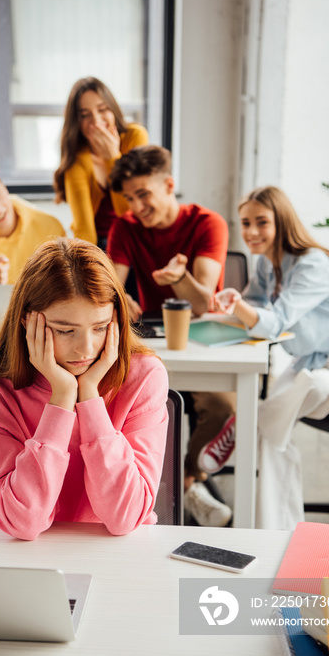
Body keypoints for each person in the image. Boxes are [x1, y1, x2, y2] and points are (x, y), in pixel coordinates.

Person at [0, 237, 169, 541]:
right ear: (25, 320)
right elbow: (22, 522)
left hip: (118, 556)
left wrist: (89, 397)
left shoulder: (145, 377)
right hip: (30, 560)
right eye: (64, 330)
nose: (85, 348)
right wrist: (61, 400)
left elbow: (124, 518)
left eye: (99, 328)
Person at [204, 185, 329, 530]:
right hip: (308, 360)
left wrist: (241, 308)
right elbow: (256, 307)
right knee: (272, 437)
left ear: (282, 222)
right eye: (245, 223)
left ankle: (249, 420)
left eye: (261, 222)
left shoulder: (314, 264)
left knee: (316, 387)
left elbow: (273, 322)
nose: (251, 232)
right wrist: (238, 303)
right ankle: (279, 534)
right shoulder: (268, 262)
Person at [107, 144, 234, 527]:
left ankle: (186, 481)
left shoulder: (208, 224)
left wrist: (180, 279)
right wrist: (119, 298)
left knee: (222, 407)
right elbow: (111, 286)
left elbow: (203, 304)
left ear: (169, 185)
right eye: (129, 198)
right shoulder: (125, 227)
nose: (136, 206)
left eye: (143, 194)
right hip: (147, 339)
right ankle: (148, 489)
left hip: (201, 336)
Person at [53, 77, 148, 249]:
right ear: (77, 122)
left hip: (137, 232)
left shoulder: (135, 137)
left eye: (102, 109)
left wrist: (112, 159)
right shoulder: (77, 160)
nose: (96, 121)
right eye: (85, 115)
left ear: (113, 110)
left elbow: (130, 212)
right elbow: (84, 229)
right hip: (101, 242)